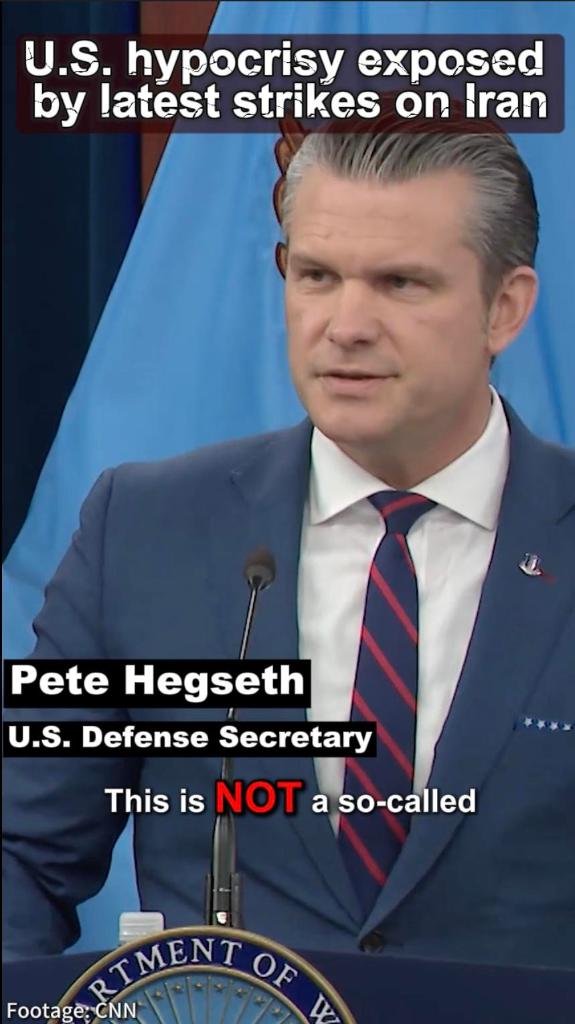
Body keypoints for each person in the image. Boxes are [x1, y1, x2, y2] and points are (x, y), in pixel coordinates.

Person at [3, 121, 575, 968]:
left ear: (504, 307)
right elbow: (20, 850)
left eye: (400, 283)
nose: (345, 325)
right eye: (316, 276)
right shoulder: (145, 531)